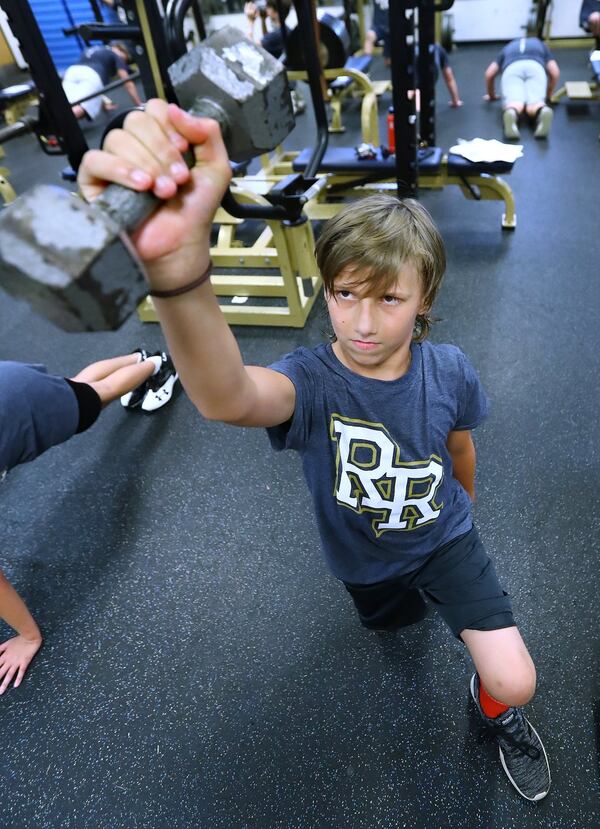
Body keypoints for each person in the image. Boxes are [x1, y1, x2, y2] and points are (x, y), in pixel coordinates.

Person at [77, 100, 552, 802]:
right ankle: (400, 606)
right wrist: (178, 274)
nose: (362, 321)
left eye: (388, 298)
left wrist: (466, 518)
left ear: (424, 301)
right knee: (394, 629)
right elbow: (228, 396)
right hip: (361, 557)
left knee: (517, 677)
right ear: (327, 290)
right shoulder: (311, 382)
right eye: (344, 293)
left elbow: (459, 447)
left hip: (445, 537)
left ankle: (491, 712)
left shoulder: (449, 368)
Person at [0, 349, 178, 694]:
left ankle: (158, 363)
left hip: (22, 402)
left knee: (98, 397)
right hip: (10, 384)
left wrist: (28, 636)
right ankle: (138, 356)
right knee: (77, 388)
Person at [364, 5, 462, 108]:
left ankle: (416, 108)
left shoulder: (414, 50)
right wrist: (456, 100)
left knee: (414, 87)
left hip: (417, 67)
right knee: (420, 87)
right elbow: (449, 76)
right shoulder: (439, 48)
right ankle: (418, 107)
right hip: (430, 70)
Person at [483, 36, 560, 140]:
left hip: (512, 68)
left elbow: (489, 74)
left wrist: (491, 95)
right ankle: (541, 109)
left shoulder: (509, 47)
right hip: (535, 67)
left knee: (514, 101)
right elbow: (555, 72)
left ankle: (512, 111)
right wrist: (548, 95)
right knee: (535, 102)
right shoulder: (540, 44)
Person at [244, 0, 305, 115]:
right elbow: (266, 48)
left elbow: (249, 48)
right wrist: (262, 21)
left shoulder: (277, 35)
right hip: (289, 89)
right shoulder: (285, 30)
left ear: (276, 12)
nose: (265, 9)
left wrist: (250, 22)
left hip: (283, 95)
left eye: (268, 7)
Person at [62, 42, 142, 121]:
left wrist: (103, 105)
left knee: (65, 106)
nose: (124, 62)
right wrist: (140, 105)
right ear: (120, 49)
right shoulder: (115, 55)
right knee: (82, 108)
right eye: (126, 59)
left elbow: (91, 89)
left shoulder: (94, 49)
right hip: (92, 75)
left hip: (72, 71)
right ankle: (62, 123)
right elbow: (127, 82)